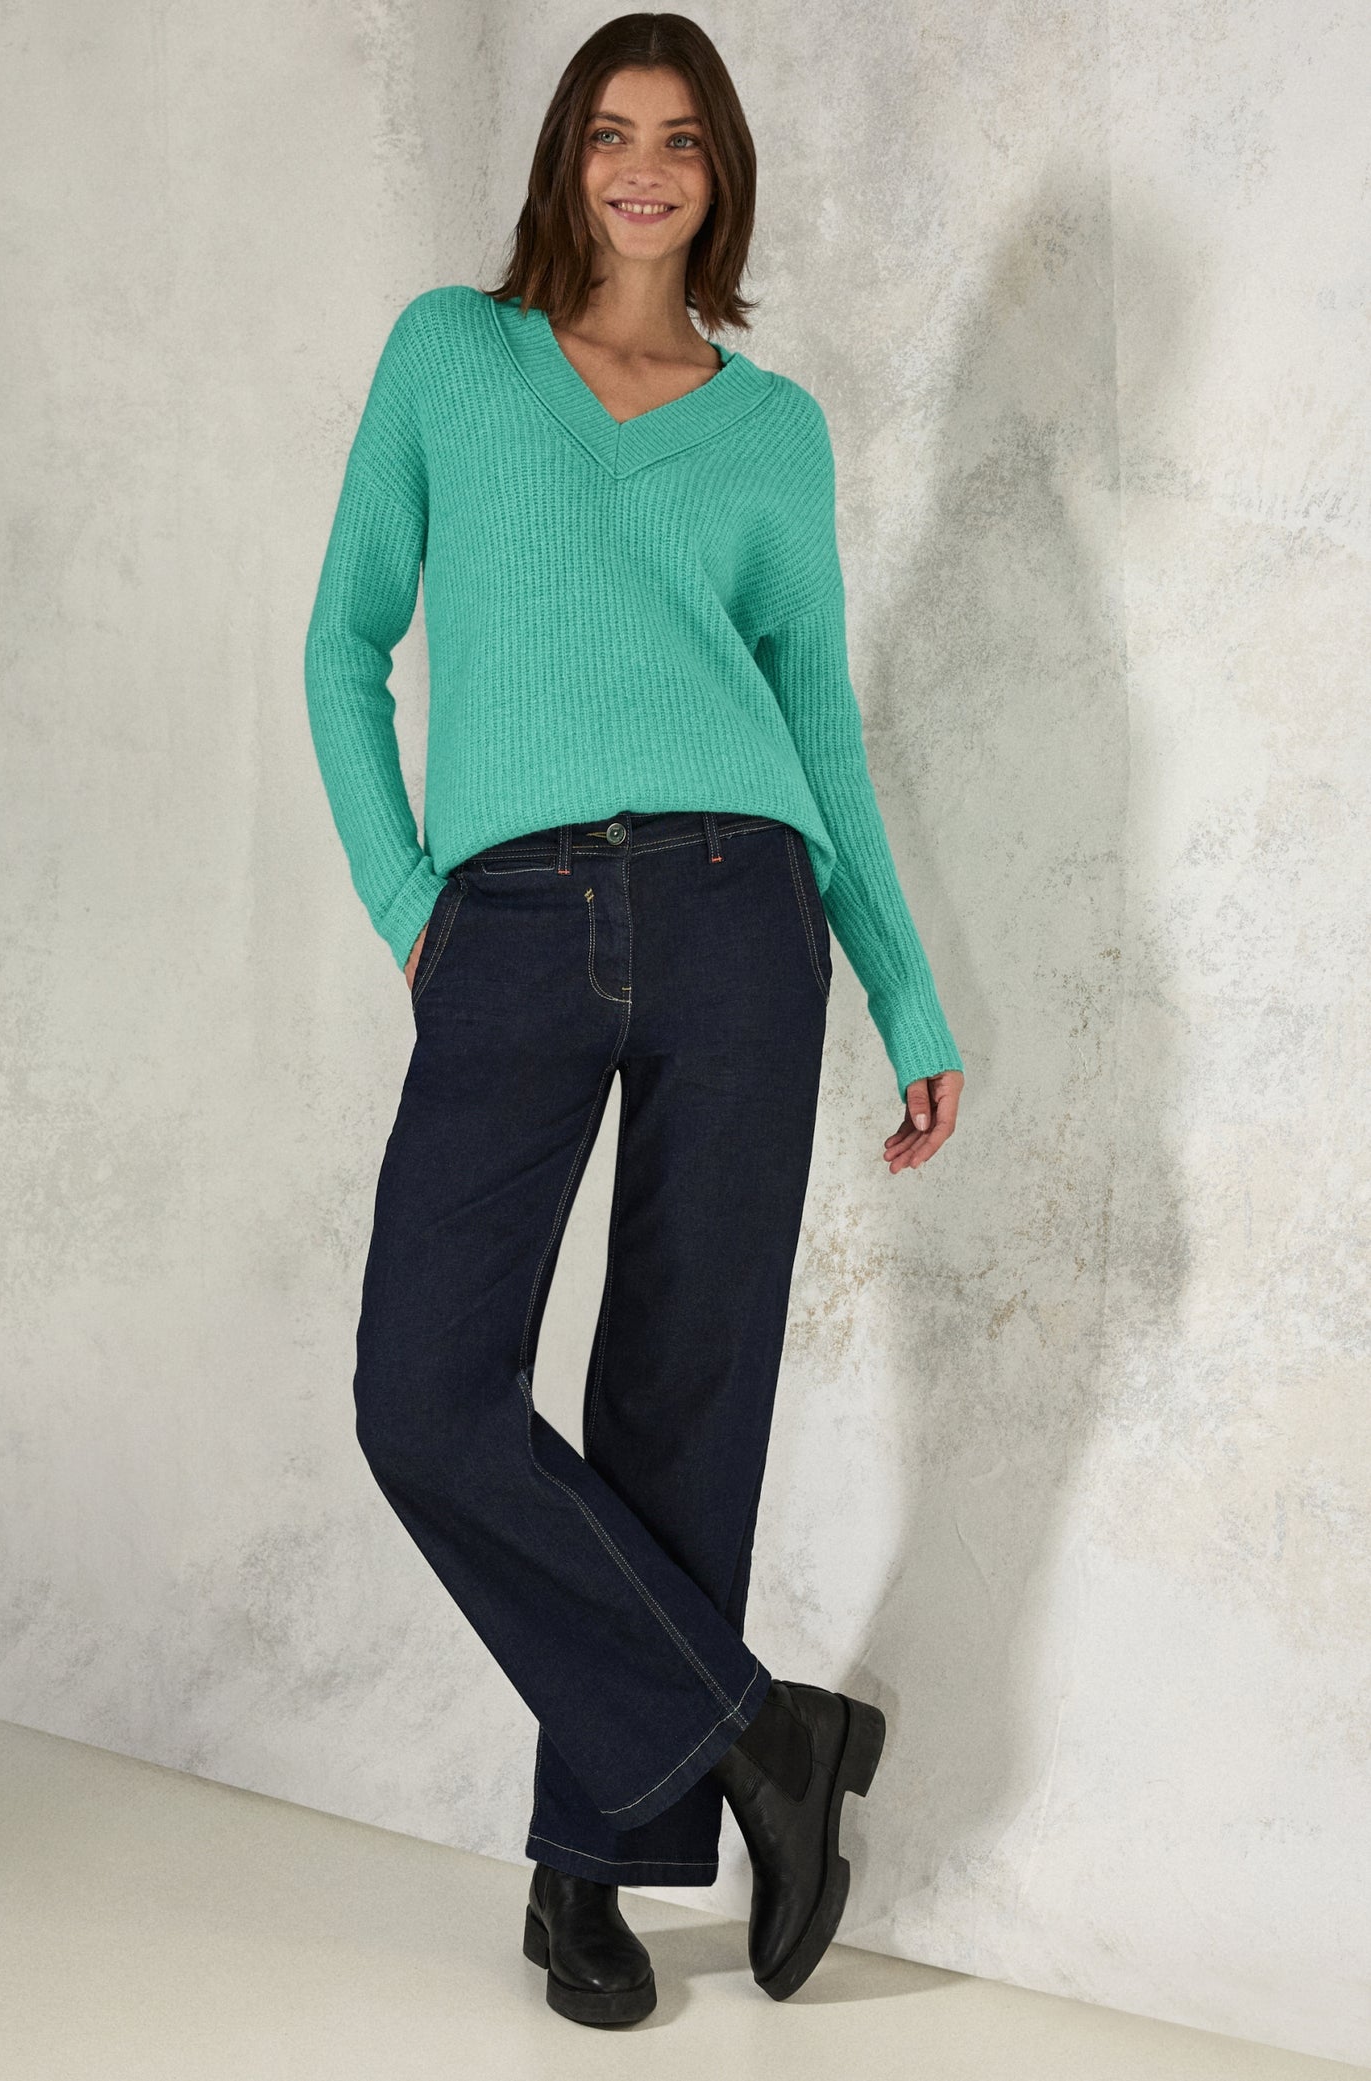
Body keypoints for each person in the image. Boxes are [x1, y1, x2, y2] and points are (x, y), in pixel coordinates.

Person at [303, 9, 965, 2032]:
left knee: (682, 1400)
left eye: (680, 138)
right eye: (611, 132)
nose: (644, 168)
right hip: (505, 921)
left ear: (720, 174)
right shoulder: (454, 352)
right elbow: (342, 642)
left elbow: (819, 723)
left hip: (739, 913)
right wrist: (411, 905)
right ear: (564, 160)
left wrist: (902, 981)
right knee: (424, 1395)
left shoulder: (773, 430)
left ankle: (586, 1875)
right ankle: (765, 1735)